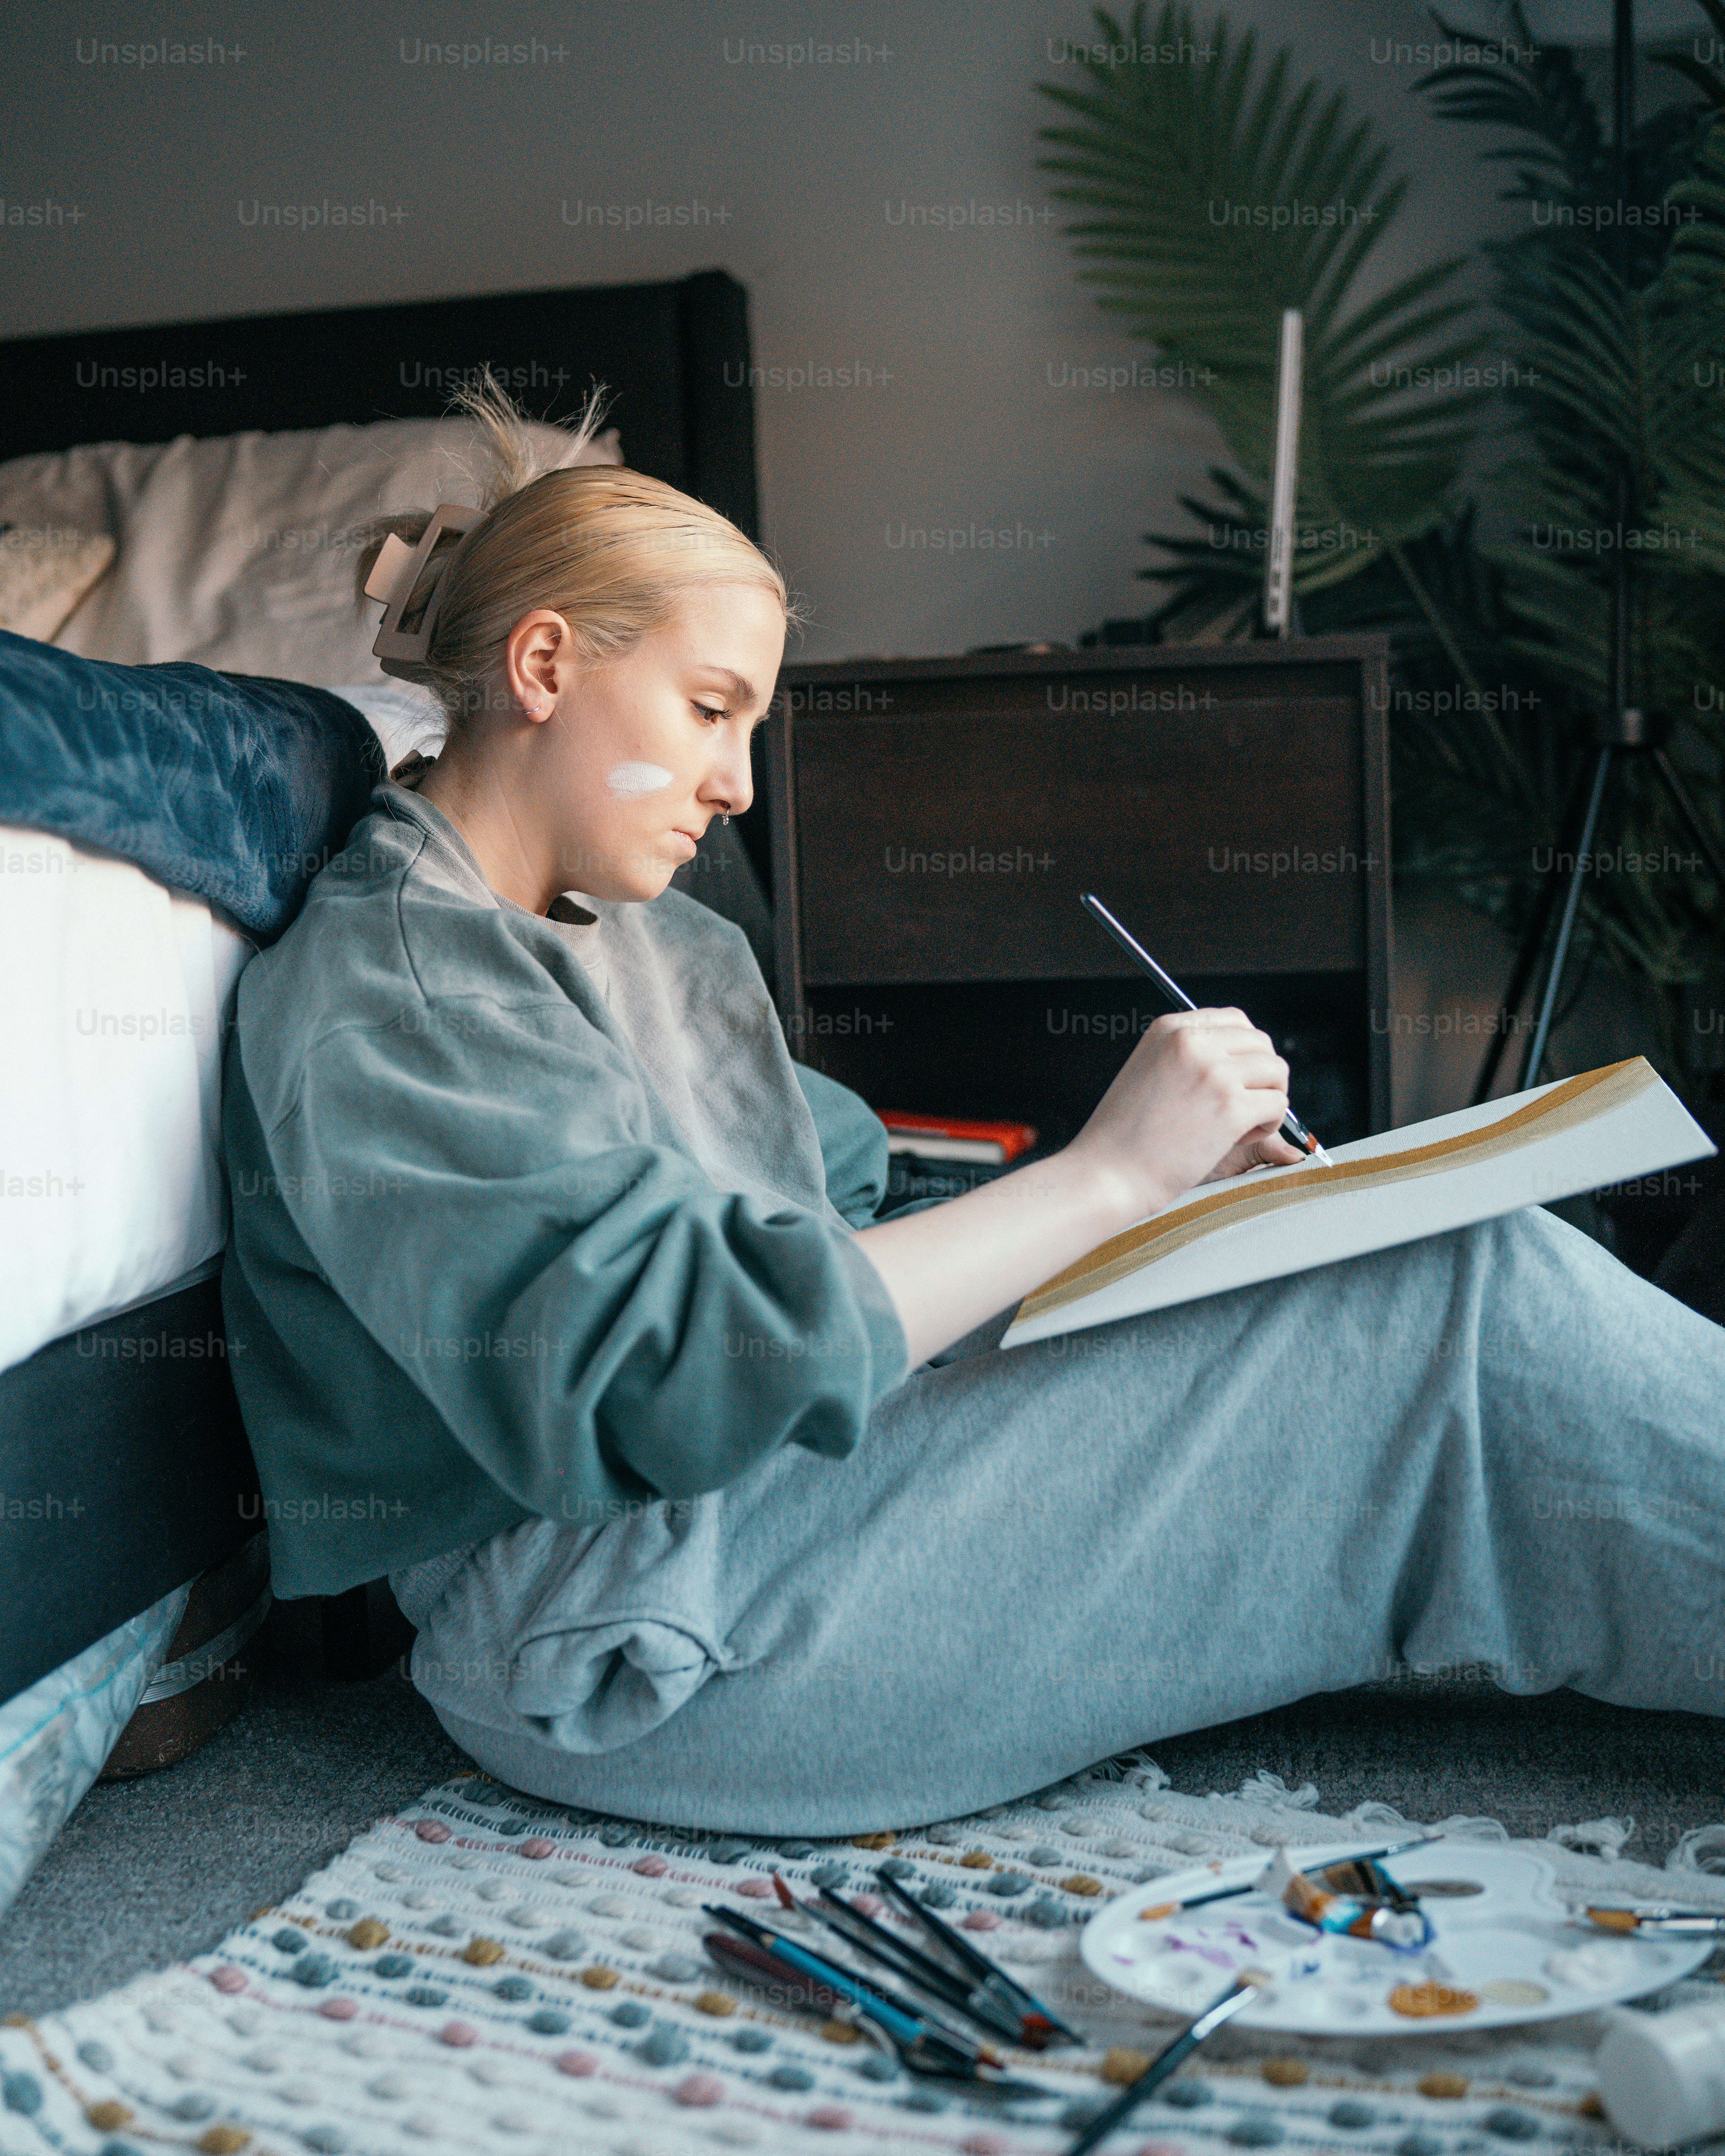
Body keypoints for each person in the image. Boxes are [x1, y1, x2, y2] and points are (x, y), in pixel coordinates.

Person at [221, 381, 1725, 1837]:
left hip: (778, 1499)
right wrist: (1104, 1182)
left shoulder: (653, 941)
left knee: (1408, 1258)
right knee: (1450, 1304)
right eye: (709, 710)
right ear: (545, 667)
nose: (738, 785)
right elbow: (662, 1376)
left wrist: (1191, 1212)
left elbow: (856, 1209)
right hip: (614, 1633)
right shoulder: (402, 977)